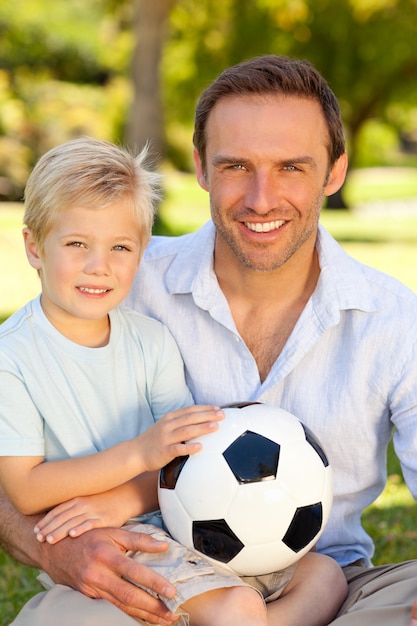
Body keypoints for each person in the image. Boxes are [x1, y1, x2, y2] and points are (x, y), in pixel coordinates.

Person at [0, 53, 416, 626]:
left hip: (324, 579)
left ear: (335, 171)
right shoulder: (119, 283)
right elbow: (18, 461)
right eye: (236, 166)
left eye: (291, 167)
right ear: (200, 167)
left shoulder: (395, 319)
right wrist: (57, 547)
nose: (262, 198)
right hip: (156, 568)